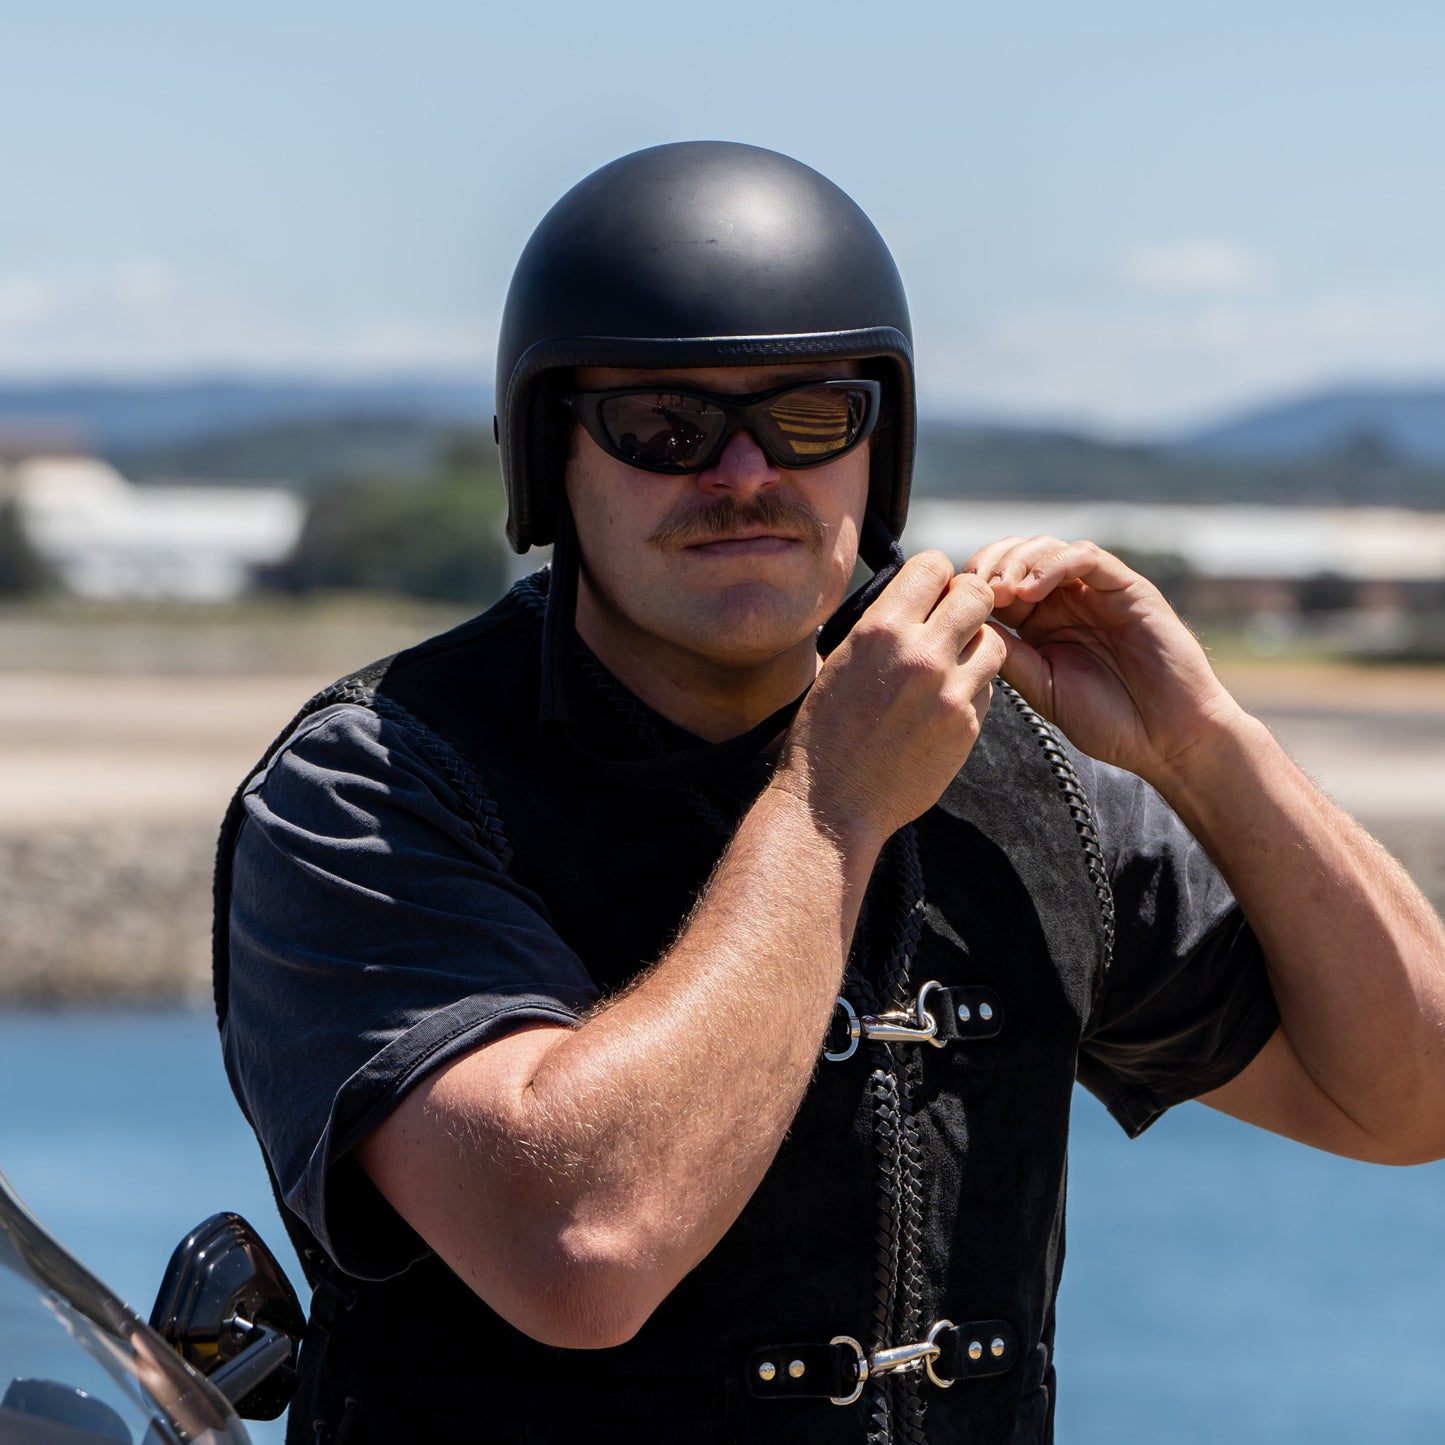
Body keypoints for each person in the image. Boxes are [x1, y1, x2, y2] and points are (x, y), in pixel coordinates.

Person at [215, 142, 1445, 1445]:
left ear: (878, 447)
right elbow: (579, 1246)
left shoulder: (1026, 776)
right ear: (551, 454)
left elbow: (1409, 1096)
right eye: (665, 425)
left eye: (808, 417)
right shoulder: (375, 783)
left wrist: (1206, 746)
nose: (743, 472)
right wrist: (829, 806)